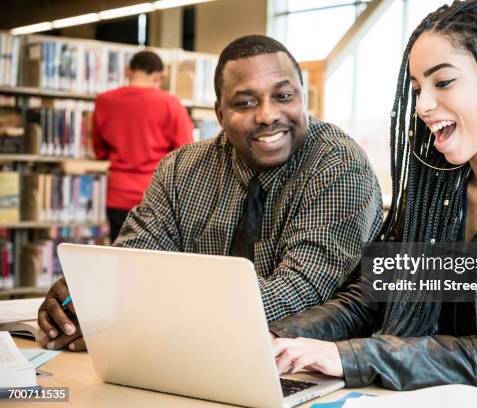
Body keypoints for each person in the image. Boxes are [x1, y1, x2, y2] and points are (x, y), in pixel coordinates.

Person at [270, 0, 477, 399]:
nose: (422, 106)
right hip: (441, 396)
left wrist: (353, 357)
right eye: (416, 89)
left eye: (443, 82)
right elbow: (368, 299)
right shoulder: (435, 191)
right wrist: (275, 339)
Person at [38, 35, 383, 352]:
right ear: (220, 114)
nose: (267, 115)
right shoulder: (180, 170)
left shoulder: (338, 164)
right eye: (245, 103)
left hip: (309, 364)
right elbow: (133, 264)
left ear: (303, 98)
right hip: (189, 358)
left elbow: (299, 290)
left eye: (283, 96)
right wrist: (88, 295)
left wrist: (142, 312)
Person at [93, 50, 194, 242]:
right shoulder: (170, 102)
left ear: (128, 71)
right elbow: (185, 150)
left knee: (120, 258)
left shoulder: (104, 101)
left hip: (118, 194)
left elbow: (99, 151)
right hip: (156, 195)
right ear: (158, 75)